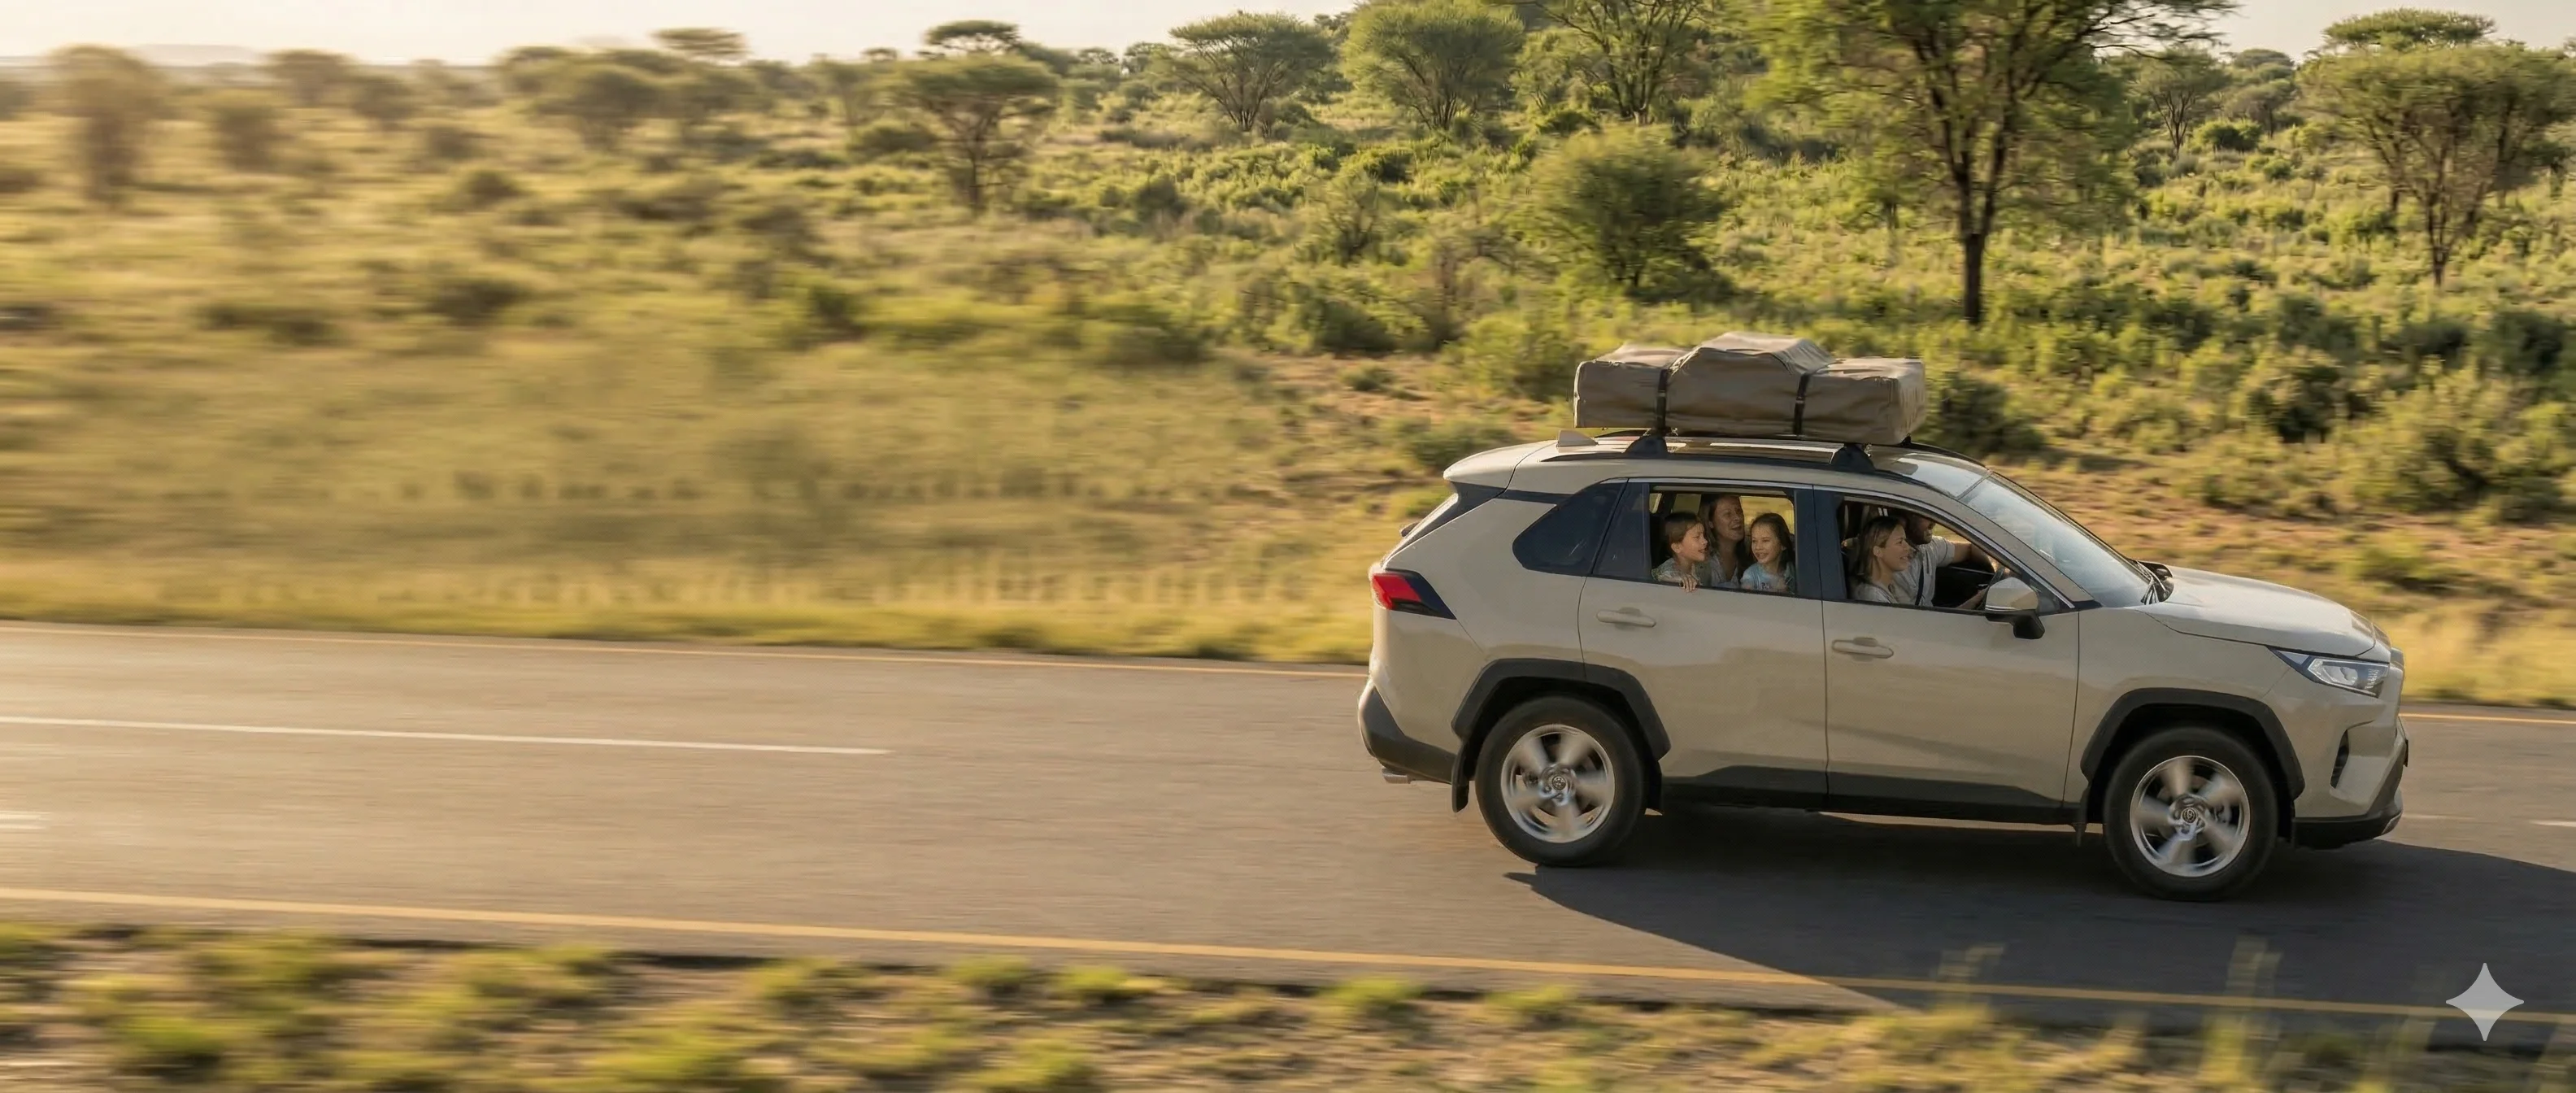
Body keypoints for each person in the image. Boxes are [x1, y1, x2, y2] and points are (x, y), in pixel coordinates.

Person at [1852, 515, 1986, 610]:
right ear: (1878, 551)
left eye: (1905, 540)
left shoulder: (1886, 589)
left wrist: (1974, 601)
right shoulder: (1874, 598)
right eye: (1900, 542)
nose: (1908, 547)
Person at [1888, 511, 1988, 606]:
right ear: (1902, 521)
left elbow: (1970, 549)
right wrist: (1975, 601)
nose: (1933, 523)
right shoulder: (1886, 564)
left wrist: (1993, 571)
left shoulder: (1930, 547)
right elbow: (1915, 617)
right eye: (1924, 515)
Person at [1699, 494, 1752, 588]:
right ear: (1711, 522)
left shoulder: (1753, 551)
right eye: (1728, 514)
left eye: (1739, 511)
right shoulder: (1700, 558)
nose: (1738, 518)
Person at [1651, 512, 1715, 590]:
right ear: (1677, 547)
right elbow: (1664, 578)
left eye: (1704, 536)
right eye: (1697, 537)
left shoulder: (1701, 567)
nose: (1705, 541)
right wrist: (1681, 581)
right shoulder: (1668, 571)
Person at [1737, 512, 1795, 594]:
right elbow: (1747, 599)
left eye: (1765, 541)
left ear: (1783, 544)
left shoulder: (1792, 570)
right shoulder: (1751, 575)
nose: (1758, 547)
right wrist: (1777, 591)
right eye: (1754, 541)